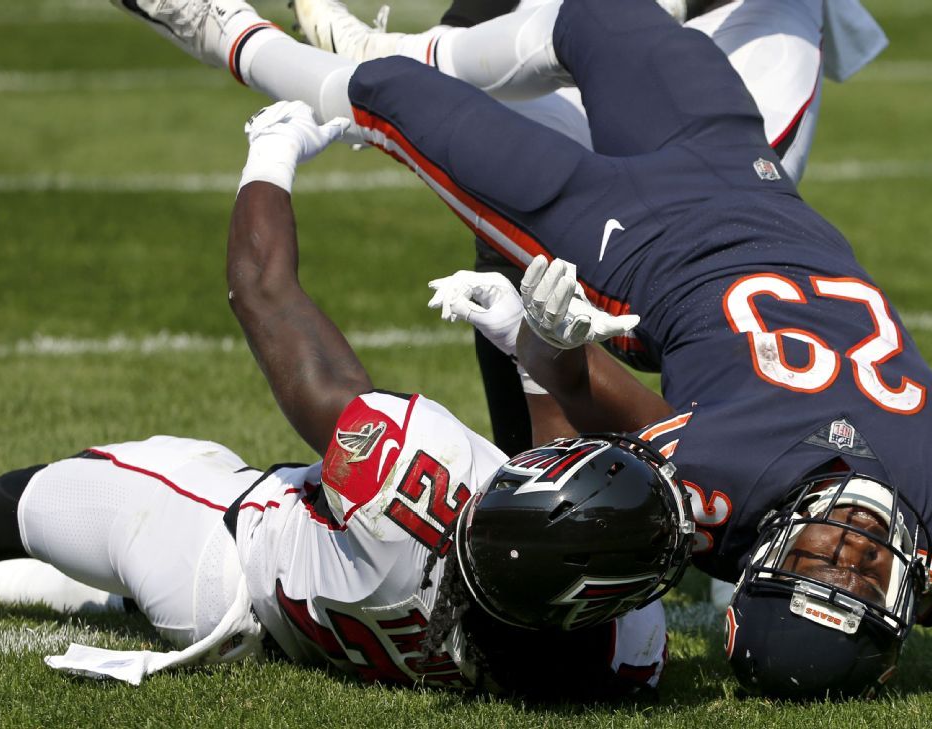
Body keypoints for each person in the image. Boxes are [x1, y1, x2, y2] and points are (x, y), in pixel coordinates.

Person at [109, 0, 932, 705]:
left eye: (818, 561)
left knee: (393, 108)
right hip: (744, 175)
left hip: (617, 235)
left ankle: (224, 35)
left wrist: (544, 336)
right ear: (909, 594)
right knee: (597, 12)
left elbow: (600, 427)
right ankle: (407, 44)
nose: (848, 539)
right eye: (862, 573)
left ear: (768, 569)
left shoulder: (713, 502)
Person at [0, 99, 694, 697]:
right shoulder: (619, 656)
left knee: (9, 505)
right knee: (40, 573)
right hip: (289, 618)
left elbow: (262, 295)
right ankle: (39, 584)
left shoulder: (412, 478)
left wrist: (274, 147)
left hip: (211, 548)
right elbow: (550, 533)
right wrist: (537, 357)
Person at [291, 0, 887, 456]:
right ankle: (538, 475)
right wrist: (449, 44)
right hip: (604, 27)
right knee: (513, 212)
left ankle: (734, 492)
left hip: (746, 25)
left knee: (726, 237)